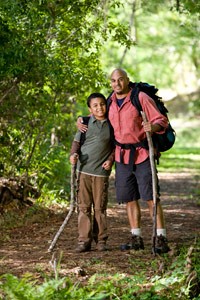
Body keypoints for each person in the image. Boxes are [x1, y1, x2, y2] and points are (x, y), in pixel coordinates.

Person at [77, 68, 170, 254]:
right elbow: (98, 115)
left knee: (151, 196)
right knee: (129, 198)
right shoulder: (110, 100)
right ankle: (136, 237)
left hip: (142, 152)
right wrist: (81, 120)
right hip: (122, 156)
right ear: (110, 83)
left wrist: (152, 126)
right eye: (113, 81)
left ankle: (160, 238)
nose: (117, 84)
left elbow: (162, 120)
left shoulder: (140, 97)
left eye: (120, 80)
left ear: (127, 80)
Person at [70, 92, 115, 253]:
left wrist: (111, 160)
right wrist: (73, 155)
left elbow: (116, 147)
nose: (99, 108)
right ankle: (84, 241)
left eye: (102, 104)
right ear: (90, 108)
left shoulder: (112, 124)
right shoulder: (86, 123)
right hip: (83, 171)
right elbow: (76, 142)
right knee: (83, 207)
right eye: (95, 105)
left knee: (100, 208)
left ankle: (101, 240)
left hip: (101, 173)